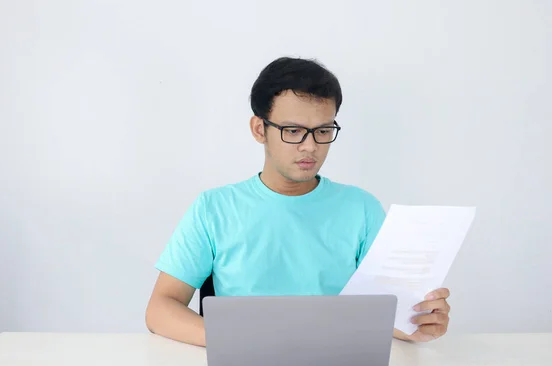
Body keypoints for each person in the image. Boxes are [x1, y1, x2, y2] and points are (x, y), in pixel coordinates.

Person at [145, 56, 451, 347]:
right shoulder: (214, 208)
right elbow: (161, 308)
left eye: (323, 131)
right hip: (244, 363)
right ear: (258, 129)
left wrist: (418, 324)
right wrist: (234, 342)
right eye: (293, 131)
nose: (310, 147)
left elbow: (389, 312)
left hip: (337, 362)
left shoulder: (361, 209)